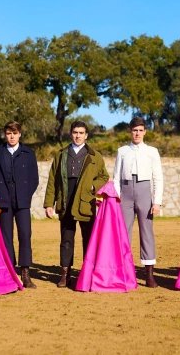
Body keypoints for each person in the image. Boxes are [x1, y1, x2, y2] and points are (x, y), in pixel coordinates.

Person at [44, 121, 110, 288]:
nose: (78, 135)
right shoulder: (61, 155)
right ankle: (66, 274)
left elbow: (104, 176)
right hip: (66, 202)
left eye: (81, 133)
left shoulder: (95, 156)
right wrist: (48, 204)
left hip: (86, 203)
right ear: (70, 134)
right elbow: (53, 180)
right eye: (75, 132)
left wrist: (94, 186)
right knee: (66, 240)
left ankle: (88, 273)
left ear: (86, 135)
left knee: (88, 239)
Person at [112, 117, 164, 288]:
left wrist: (156, 202)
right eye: (135, 130)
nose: (137, 133)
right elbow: (116, 178)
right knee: (123, 233)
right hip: (125, 194)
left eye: (140, 130)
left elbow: (158, 178)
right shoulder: (122, 151)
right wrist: (116, 198)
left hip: (144, 191)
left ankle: (149, 275)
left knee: (146, 233)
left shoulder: (152, 151)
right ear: (130, 131)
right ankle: (124, 271)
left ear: (145, 132)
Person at [0, 120, 40, 288]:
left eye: (14, 133)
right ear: (5, 135)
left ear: (20, 134)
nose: (11, 136)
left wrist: (25, 196)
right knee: (6, 238)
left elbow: (34, 179)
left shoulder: (29, 153)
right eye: (8, 133)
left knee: (25, 235)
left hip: (22, 201)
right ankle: (9, 271)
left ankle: (25, 274)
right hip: (3, 200)